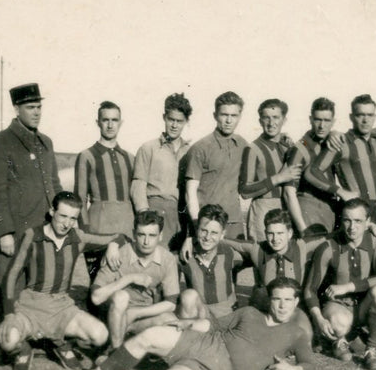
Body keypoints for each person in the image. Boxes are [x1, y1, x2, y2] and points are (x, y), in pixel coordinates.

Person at [62, 277, 316, 370]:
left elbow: (310, 363)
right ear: (270, 300)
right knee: (151, 334)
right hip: (203, 342)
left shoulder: (296, 333)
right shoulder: (249, 312)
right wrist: (186, 324)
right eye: (277, 299)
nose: (282, 306)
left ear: (295, 302)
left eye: (287, 301)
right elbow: (212, 325)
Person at [0, 191, 123, 370]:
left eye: (73, 218)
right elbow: (11, 276)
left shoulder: (78, 237)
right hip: (30, 307)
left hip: (61, 307)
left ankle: (59, 343)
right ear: (51, 211)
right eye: (63, 216)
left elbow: (119, 236)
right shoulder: (32, 236)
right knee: (8, 340)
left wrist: (114, 245)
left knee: (100, 335)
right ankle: (24, 349)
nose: (67, 223)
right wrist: (8, 314)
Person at [0, 82, 62, 298]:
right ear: (16, 109)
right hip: (16, 231)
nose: (37, 112)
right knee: (11, 288)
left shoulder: (46, 142)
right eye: (30, 107)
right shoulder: (0, 142)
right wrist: (3, 233)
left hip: (44, 229)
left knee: (41, 287)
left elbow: (54, 184)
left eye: (39, 107)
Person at [305, 197, 376, 370]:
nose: (352, 227)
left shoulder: (375, 243)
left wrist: (348, 286)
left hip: (363, 307)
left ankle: (371, 349)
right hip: (338, 306)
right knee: (339, 323)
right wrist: (318, 318)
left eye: (358, 221)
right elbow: (310, 289)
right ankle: (340, 340)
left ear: (368, 222)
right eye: (347, 220)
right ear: (341, 220)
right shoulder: (329, 247)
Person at [91, 210, 181, 348]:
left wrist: (135, 313)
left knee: (172, 322)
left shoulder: (167, 259)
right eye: (141, 235)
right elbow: (96, 298)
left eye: (152, 235)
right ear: (134, 234)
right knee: (121, 297)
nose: (146, 241)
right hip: (113, 317)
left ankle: (143, 351)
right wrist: (129, 279)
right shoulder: (119, 253)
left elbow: (171, 304)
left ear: (161, 236)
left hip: (141, 316)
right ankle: (114, 353)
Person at [303, 94, 376, 227]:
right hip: (355, 211)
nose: (366, 120)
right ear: (351, 117)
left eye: (370, 115)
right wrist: (341, 192)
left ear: (375, 117)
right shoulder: (341, 142)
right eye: (360, 115)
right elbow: (311, 172)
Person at [74, 101, 135, 277]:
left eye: (114, 120)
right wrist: (85, 232)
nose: (110, 125)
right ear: (98, 122)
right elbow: (79, 198)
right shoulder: (87, 156)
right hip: (98, 229)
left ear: (120, 122)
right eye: (105, 120)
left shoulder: (130, 158)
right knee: (99, 284)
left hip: (126, 230)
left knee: (125, 284)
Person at [183, 91, 250, 239]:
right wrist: (197, 224)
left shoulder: (243, 145)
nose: (228, 120)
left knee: (237, 261)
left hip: (233, 223)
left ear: (239, 117)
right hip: (208, 224)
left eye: (234, 116)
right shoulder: (200, 148)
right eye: (224, 115)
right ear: (215, 115)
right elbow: (190, 192)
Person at [130, 93, 193, 249]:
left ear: (186, 122)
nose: (174, 125)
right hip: (154, 212)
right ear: (164, 117)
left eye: (179, 121)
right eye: (171, 119)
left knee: (176, 264)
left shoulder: (191, 152)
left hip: (180, 216)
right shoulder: (149, 148)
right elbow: (138, 186)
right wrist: (146, 218)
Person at [238, 98, 307, 241]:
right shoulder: (252, 149)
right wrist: (279, 178)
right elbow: (244, 191)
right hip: (263, 209)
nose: (271, 123)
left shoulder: (287, 146)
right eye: (266, 118)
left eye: (276, 117)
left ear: (284, 120)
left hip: (288, 208)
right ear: (260, 121)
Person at [177, 204, 250, 323]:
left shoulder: (230, 254)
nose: (207, 237)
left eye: (214, 233)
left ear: (223, 234)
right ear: (196, 230)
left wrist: (193, 238)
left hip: (226, 320)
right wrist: (191, 239)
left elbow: (256, 249)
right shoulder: (184, 255)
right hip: (198, 320)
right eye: (203, 231)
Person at [294, 97, 340, 235]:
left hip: (330, 210)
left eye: (327, 121)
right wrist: (302, 227)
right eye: (318, 119)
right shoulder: (301, 148)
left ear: (333, 122)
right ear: (310, 119)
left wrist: (335, 133)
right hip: (309, 211)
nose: (322, 126)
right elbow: (289, 193)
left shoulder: (334, 143)